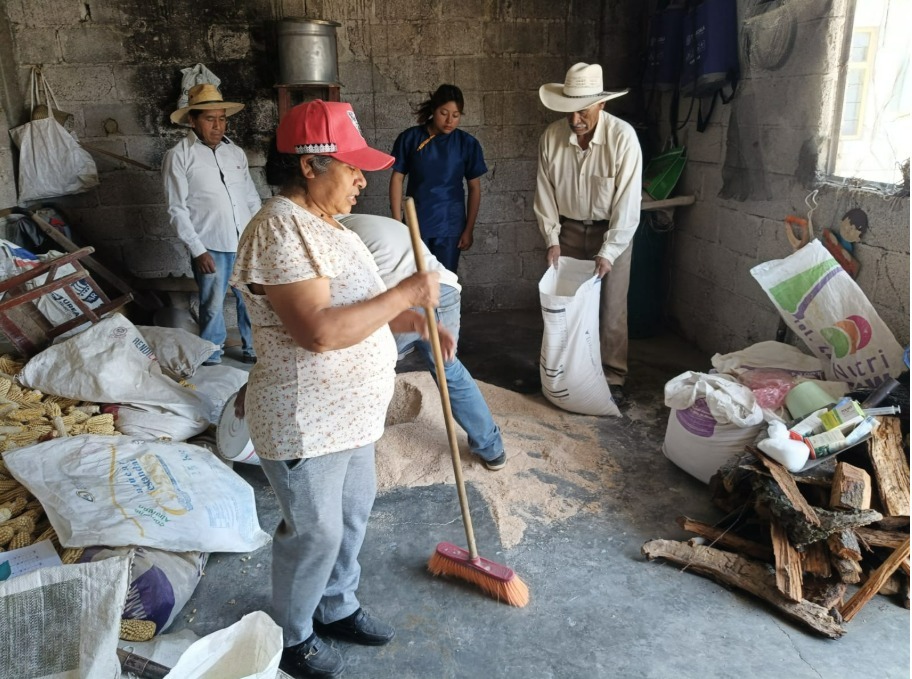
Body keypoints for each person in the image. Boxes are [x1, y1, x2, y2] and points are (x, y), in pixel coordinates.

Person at [229, 100, 452, 679]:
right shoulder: (279, 226)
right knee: (315, 532)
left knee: (350, 519)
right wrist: (406, 294)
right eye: (351, 166)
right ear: (308, 165)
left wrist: (411, 322)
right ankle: (293, 634)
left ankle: (336, 606)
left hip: (351, 414)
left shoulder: (331, 227)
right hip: (306, 416)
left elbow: (355, 314)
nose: (362, 178)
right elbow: (318, 332)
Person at [338, 212, 507, 470]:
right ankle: (492, 450)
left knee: (366, 367)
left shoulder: (336, 234)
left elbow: (354, 300)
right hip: (444, 289)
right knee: (448, 369)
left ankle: (350, 450)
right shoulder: (372, 221)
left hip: (402, 298)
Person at [534, 63, 643, 404]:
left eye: (583, 111)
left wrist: (608, 251)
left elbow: (627, 204)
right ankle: (568, 370)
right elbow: (545, 194)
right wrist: (552, 239)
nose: (575, 119)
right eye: (570, 111)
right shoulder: (551, 138)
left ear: (602, 105)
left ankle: (612, 374)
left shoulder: (623, 138)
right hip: (568, 230)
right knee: (565, 305)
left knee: (611, 307)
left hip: (613, 232)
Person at [163, 82, 261, 365]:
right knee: (212, 303)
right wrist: (198, 249)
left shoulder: (236, 153)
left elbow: (250, 197)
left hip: (243, 240)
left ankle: (253, 348)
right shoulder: (179, 156)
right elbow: (176, 208)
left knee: (251, 300)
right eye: (209, 119)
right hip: (210, 244)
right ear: (192, 121)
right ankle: (212, 352)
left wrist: (258, 236)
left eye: (222, 119)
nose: (218, 126)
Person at [389, 84, 487, 273]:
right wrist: (397, 223)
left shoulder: (467, 144)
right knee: (416, 281)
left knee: (446, 281)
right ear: (434, 109)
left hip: (450, 226)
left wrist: (468, 229)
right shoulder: (410, 138)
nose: (449, 120)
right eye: (444, 113)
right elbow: (397, 179)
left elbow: (475, 188)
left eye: (456, 115)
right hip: (416, 223)